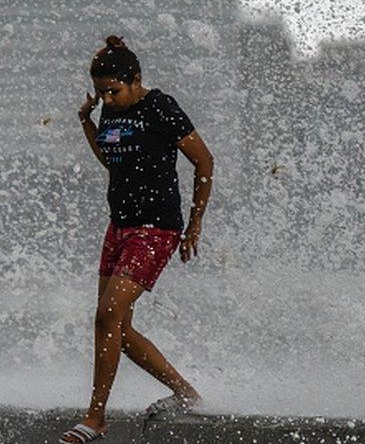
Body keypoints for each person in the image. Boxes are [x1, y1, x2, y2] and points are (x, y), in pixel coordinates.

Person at [59, 35, 214, 443]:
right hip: (119, 228)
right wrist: (86, 122)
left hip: (156, 227)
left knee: (106, 318)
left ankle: (95, 418)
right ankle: (186, 395)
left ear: (135, 80)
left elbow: (204, 160)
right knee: (115, 327)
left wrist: (194, 224)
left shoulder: (161, 106)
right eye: (101, 92)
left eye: (114, 90)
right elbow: (111, 160)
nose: (107, 99)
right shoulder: (108, 113)